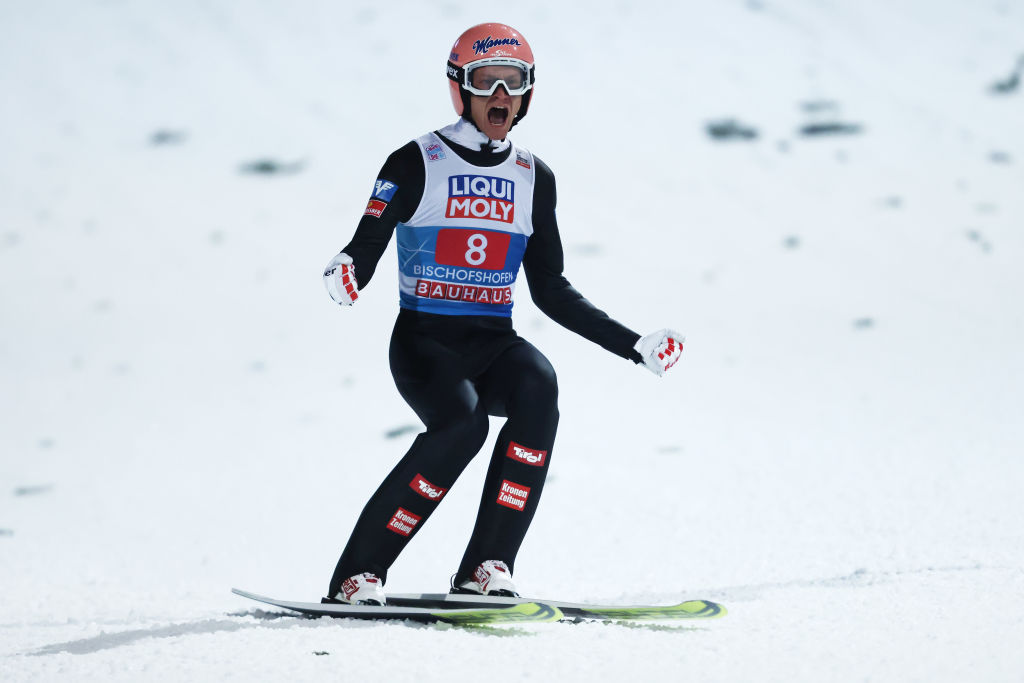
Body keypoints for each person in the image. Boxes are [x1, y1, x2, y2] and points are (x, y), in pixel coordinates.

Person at [322, 22, 683, 605]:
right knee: (462, 425)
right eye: (485, 83)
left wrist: (633, 344)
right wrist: (350, 269)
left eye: (511, 84)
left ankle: (486, 569)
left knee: (537, 384)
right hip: (424, 344)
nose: (499, 97)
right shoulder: (417, 160)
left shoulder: (534, 177)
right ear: (459, 88)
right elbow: (368, 237)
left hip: (493, 341)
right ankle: (357, 576)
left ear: (527, 93)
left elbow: (552, 289)